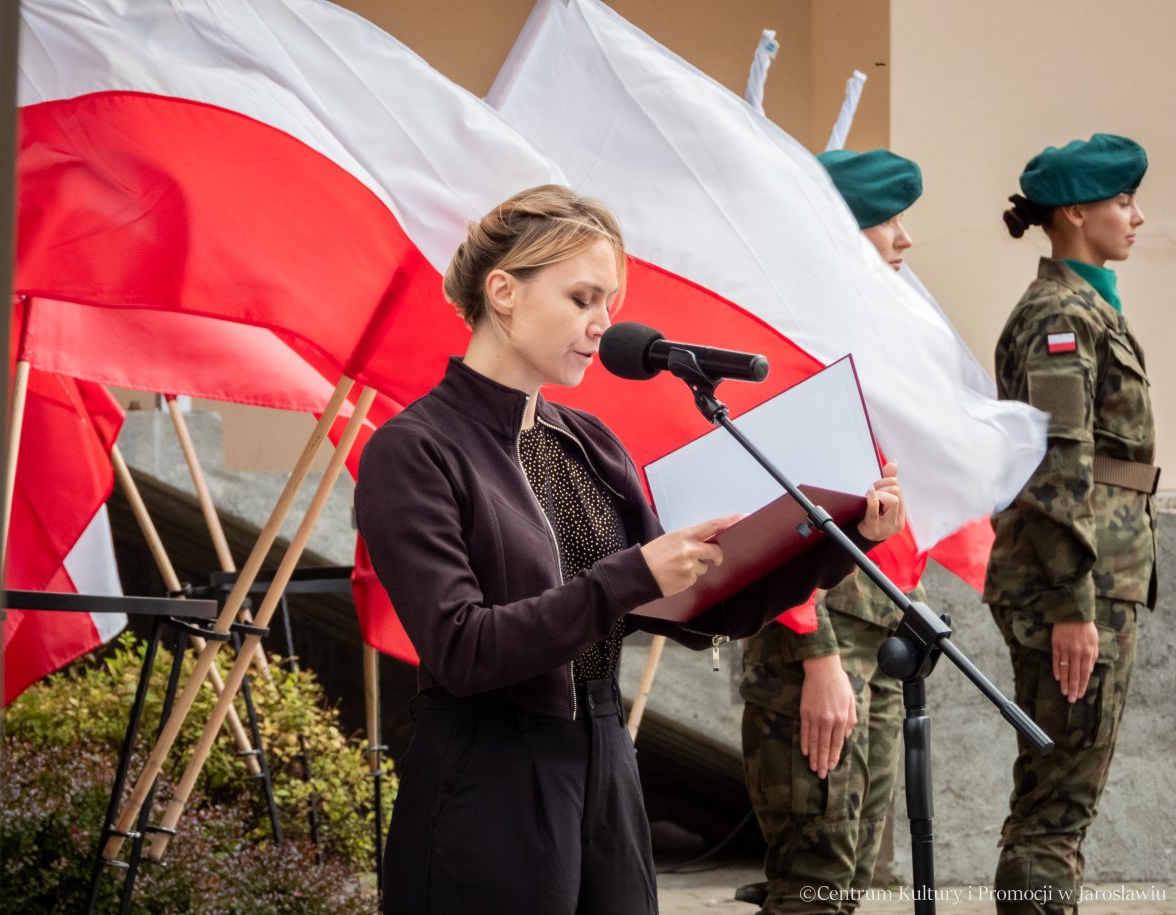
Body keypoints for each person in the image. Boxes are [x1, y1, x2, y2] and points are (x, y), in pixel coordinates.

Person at [355, 184, 907, 915]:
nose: (601, 325)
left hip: (604, 760)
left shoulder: (587, 443)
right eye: (582, 298)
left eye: (609, 304)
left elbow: (692, 608)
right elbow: (460, 647)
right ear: (504, 291)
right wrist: (627, 576)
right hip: (487, 779)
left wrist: (835, 539)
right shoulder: (415, 449)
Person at [738, 149, 928, 915]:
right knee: (814, 880)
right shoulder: (793, 342)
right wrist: (815, 654)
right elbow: (773, 506)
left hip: (873, 626)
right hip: (816, 633)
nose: (904, 240)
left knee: (850, 879)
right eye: (888, 221)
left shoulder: (862, 335)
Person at [984, 134, 1156, 914]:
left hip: (1095, 575)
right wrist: (1071, 606)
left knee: (1065, 797)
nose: (1138, 216)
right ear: (1078, 211)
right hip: (1073, 582)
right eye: (1123, 201)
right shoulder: (1061, 314)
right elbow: (1057, 465)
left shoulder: (1087, 308)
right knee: (1056, 803)